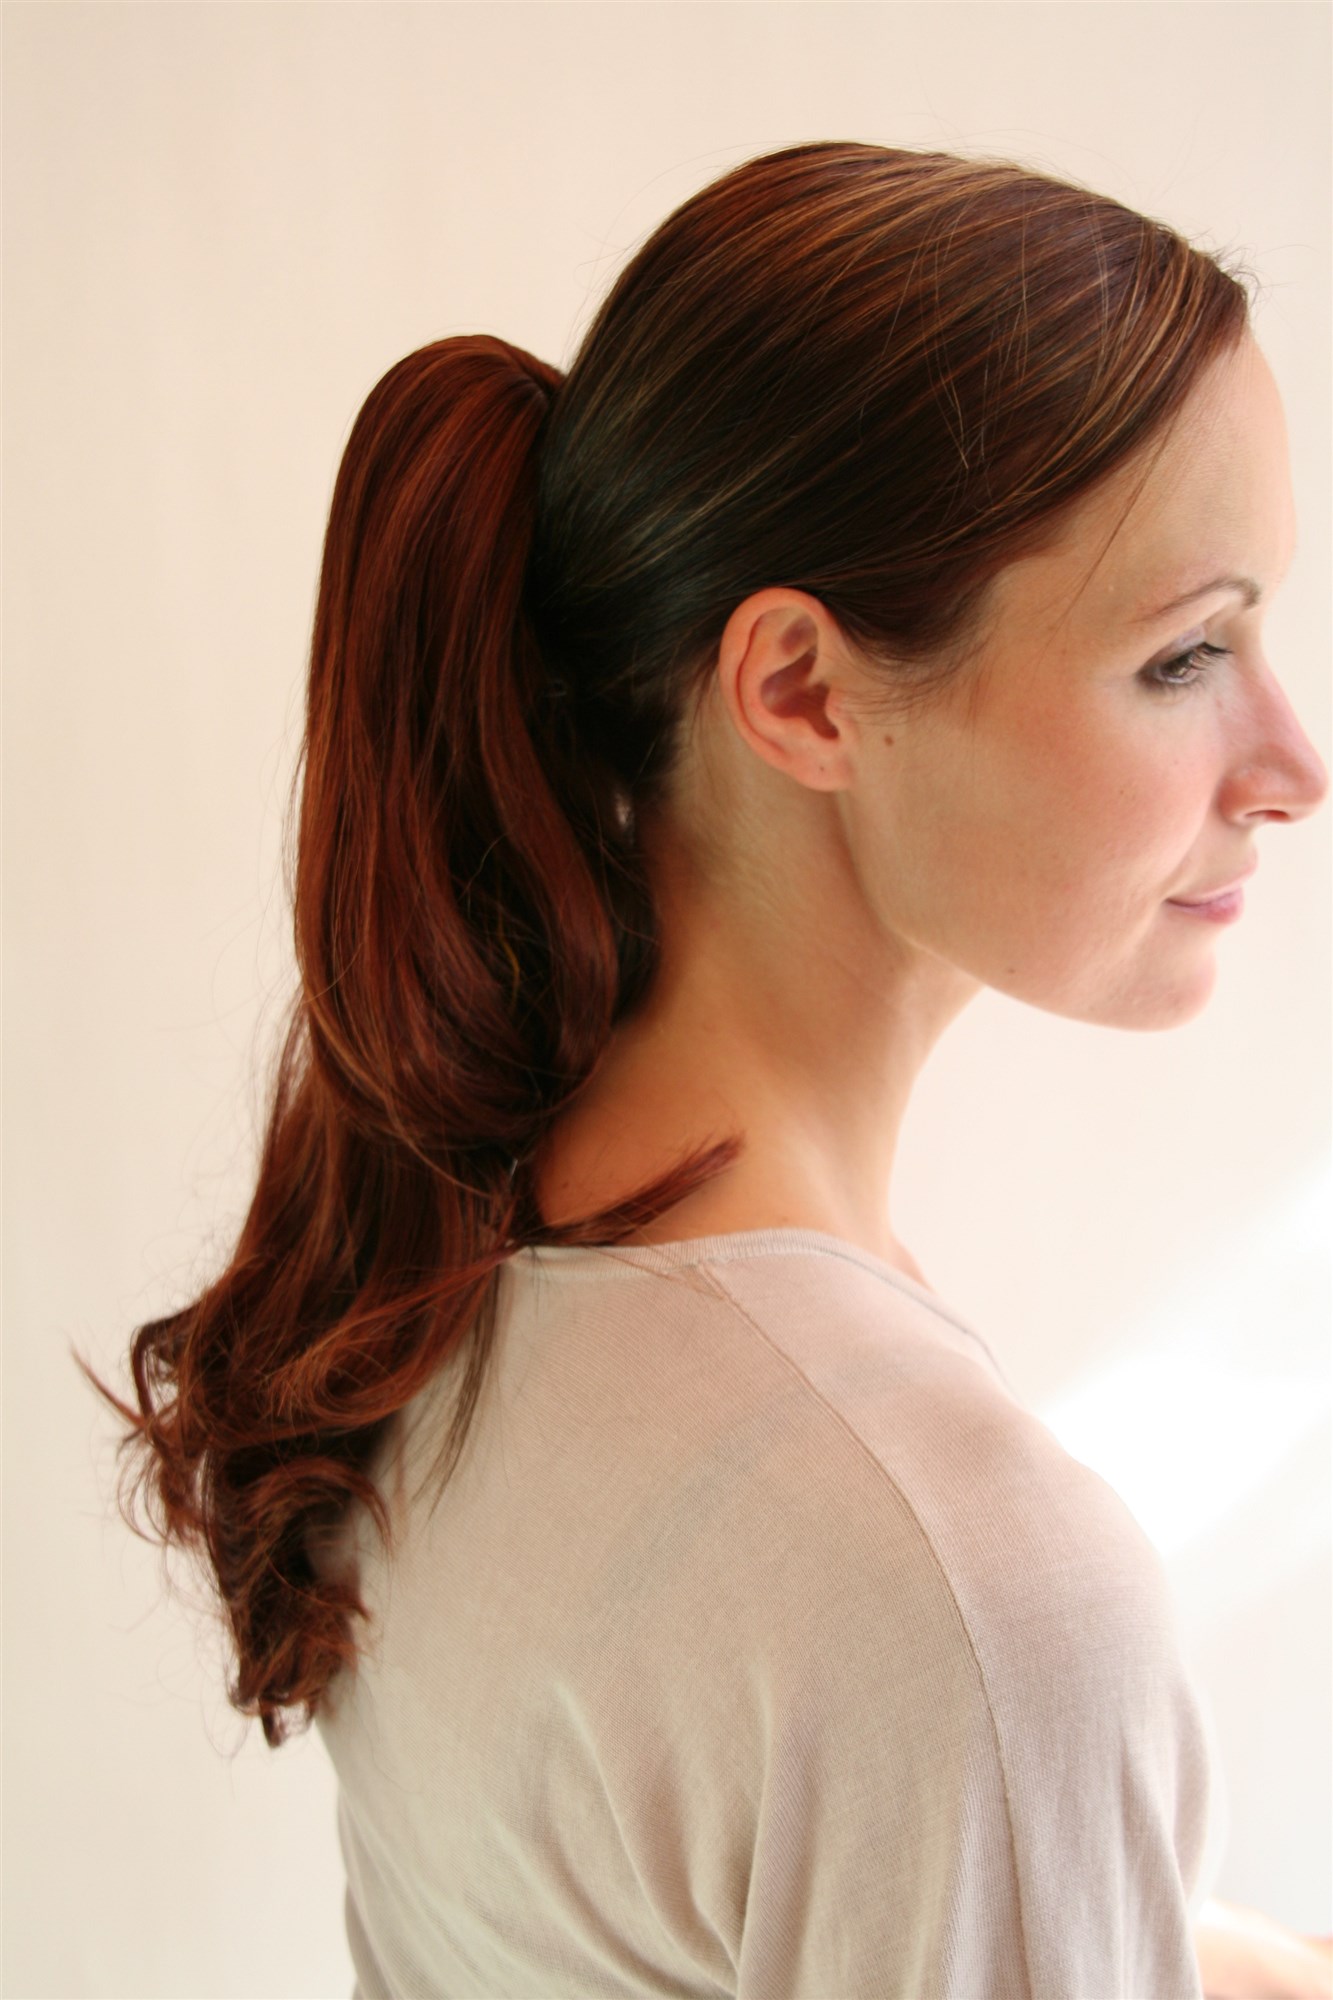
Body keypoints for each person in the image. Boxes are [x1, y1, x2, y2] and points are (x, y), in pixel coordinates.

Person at [81, 142, 1332, 1998]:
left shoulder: (465, 1267)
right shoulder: (955, 1578)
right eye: (1183, 655)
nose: (1289, 762)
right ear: (803, 694)